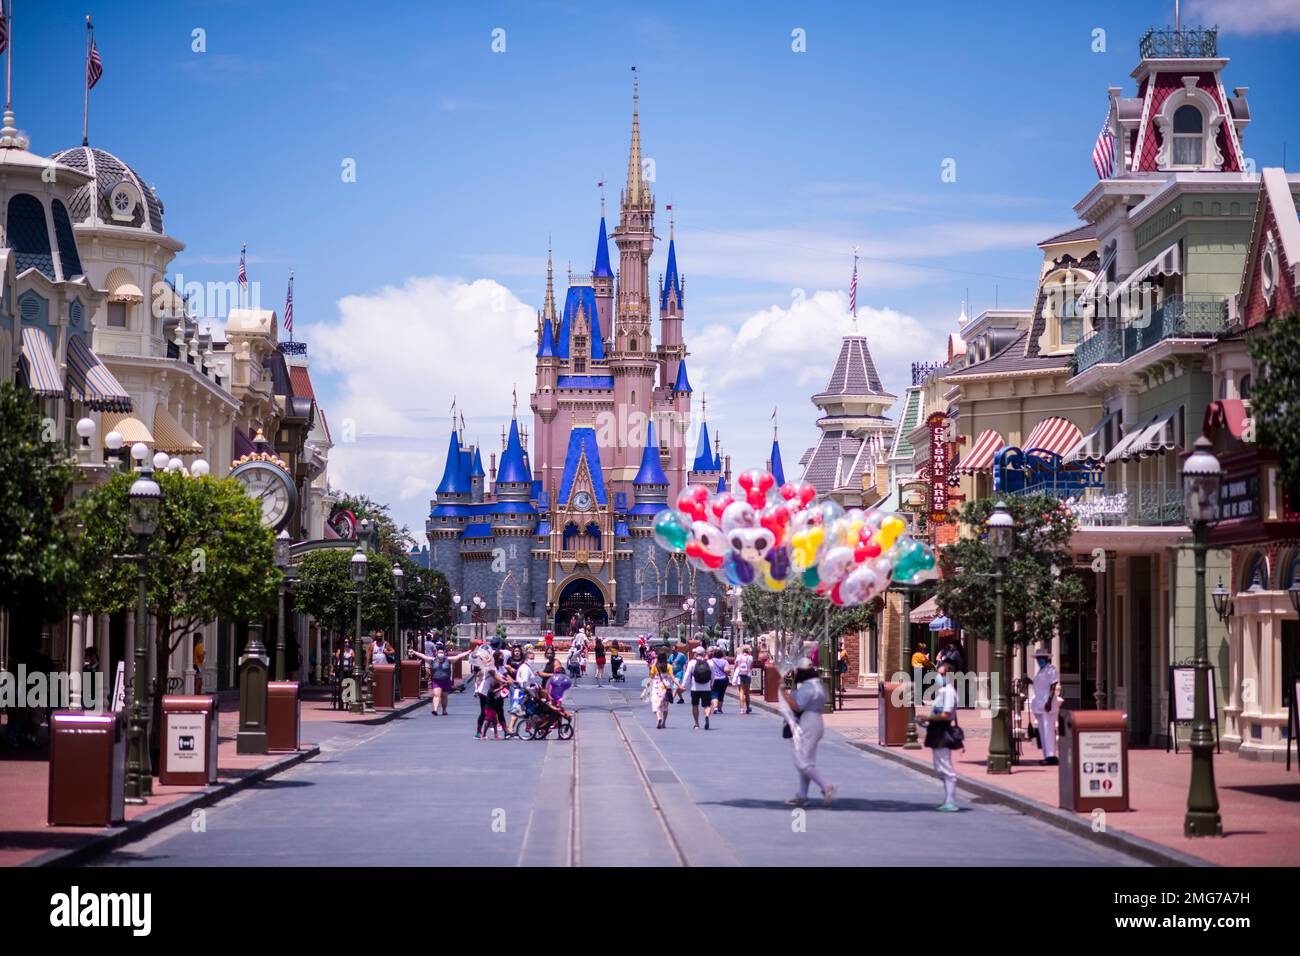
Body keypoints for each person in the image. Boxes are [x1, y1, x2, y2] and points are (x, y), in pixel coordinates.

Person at [779, 658, 836, 807]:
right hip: (817, 721)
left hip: (807, 722)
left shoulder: (808, 688)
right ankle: (802, 795)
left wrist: (783, 692)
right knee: (807, 760)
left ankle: (826, 786)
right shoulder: (818, 686)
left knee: (801, 760)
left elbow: (797, 706)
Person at [917, 660, 962, 811]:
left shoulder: (949, 692)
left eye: (942, 674)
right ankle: (948, 799)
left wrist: (928, 718)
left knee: (945, 767)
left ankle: (951, 801)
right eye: (938, 674)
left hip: (943, 730)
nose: (939, 676)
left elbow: (946, 714)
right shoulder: (942, 692)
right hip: (936, 730)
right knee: (939, 767)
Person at [409, 645, 470, 715]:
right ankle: (435, 710)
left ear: (444, 653)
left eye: (442, 652)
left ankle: (444, 710)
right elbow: (423, 656)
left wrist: (467, 652)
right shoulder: (432, 660)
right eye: (439, 652)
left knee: (444, 697)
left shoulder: (449, 660)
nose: (440, 654)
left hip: (446, 681)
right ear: (436, 653)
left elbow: (458, 656)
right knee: (436, 695)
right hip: (436, 681)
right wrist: (414, 652)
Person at [1029, 648, 1060, 766]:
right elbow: (1041, 686)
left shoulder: (1051, 669)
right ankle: (1046, 755)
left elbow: (1053, 685)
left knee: (1048, 730)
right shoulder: (1041, 671)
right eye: (1038, 658)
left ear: (1046, 658)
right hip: (1039, 704)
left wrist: (1049, 701)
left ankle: (1051, 755)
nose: (1039, 660)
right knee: (1042, 730)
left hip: (1048, 704)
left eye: (1041, 658)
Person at [648, 652, 682, 729]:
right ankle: (664, 723)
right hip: (666, 686)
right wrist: (679, 686)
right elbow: (673, 678)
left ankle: (658, 718)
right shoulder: (669, 666)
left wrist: (648, 684)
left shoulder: (654, 666)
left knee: (656, 703)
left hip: (657, 686)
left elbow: (651, 676)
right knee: (665, 706)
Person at [685, 646, 716, 730]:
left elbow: (687, 675)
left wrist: (683, 686)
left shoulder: (691, 662)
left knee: (695, 705)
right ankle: (706, 716)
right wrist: (712, 684)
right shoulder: (710, 663)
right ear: (704, 653)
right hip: (706, 688)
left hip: (695, 688)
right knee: (707, 705)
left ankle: (697, 724)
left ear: (696, 654)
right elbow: (713, 675)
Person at [708, 646, 732, 714]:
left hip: (713, 679)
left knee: (714, 693)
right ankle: (720, 709)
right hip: (723, 679)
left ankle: (715, 707)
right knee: (721, 694)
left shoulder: (710, 661)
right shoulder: (724, 661)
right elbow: (726, 670)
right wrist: (729, 672)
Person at [733, 644, 754, 714]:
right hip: (747, 675)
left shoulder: (739, 656)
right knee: (747, 693)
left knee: (741, 692)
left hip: (740, 675)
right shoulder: (750, 657)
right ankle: (748, 707)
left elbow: (735, 666)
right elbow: (751, 667)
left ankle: (741, 709)